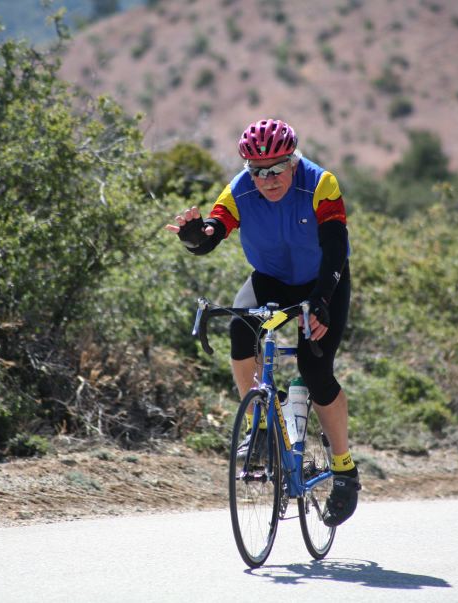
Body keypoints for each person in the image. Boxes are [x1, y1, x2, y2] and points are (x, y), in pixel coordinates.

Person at [165, 118, 360, 527]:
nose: (267, 179)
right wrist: (194, 237)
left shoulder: (320, 183)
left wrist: (322, 301)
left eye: (276, 168)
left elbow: (336, 248)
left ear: (293, 161)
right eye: (257, 170)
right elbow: (213, 230)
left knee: (314, 368)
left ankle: (344, 470)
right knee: (241, 326)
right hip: (270, 281)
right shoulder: (239, 189)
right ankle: (260, 430)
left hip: (322, 282)